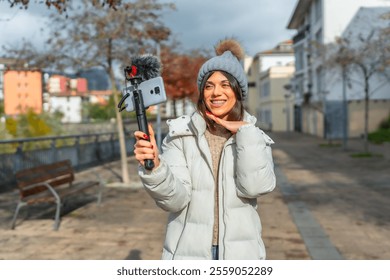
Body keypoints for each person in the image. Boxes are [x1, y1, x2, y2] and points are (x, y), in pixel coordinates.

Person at [134, 38, 276, 260]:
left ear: (238, 91)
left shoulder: (255, 137)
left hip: (241, 255)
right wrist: (156, 169)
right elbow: (175, 200)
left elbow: (254, 188)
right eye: (209, 86)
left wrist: (245, 133)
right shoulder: (181, 134)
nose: (216, 93)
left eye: (225, 85)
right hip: (188, 254)